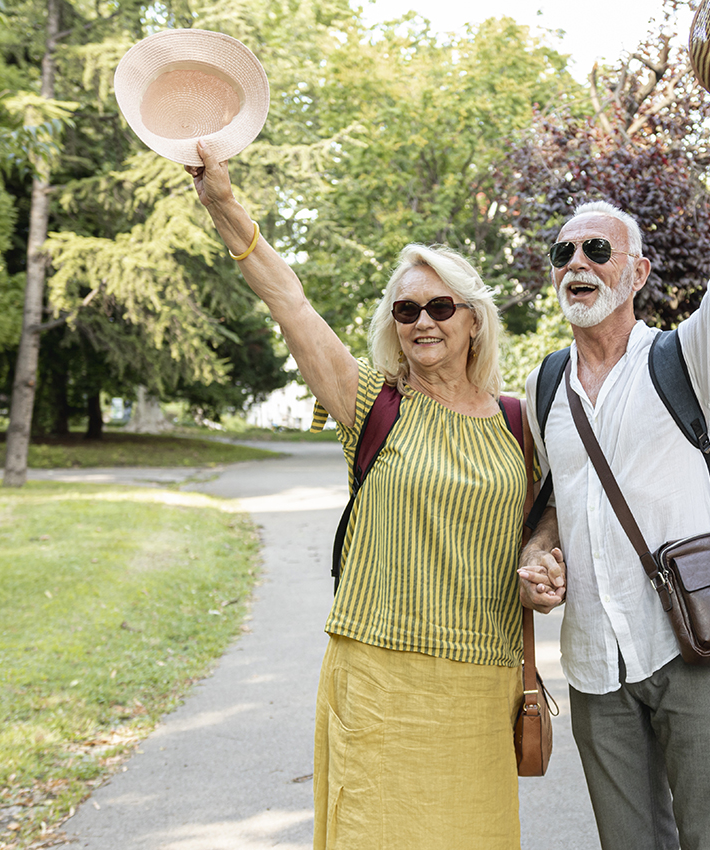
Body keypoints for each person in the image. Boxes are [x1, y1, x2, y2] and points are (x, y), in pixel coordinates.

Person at [186, 141, 548, 850]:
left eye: (440, 305)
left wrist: (544, 562)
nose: (422, 321)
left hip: (484, 681)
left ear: (474, 319)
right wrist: (223, 203)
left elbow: (547, 521)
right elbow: (287, 299)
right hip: (379, 678)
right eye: (406, 309)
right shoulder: (369, 403)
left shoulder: (520, 421)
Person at [517, 124, 710, 849]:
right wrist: (537, 555)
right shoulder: (544, 384)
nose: (577, 263)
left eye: (597, 249)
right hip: (594, 660)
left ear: (639, 272)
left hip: (695, 647)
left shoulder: (688, 359)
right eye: (563, 253)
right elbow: (560, 498)